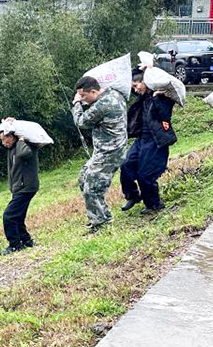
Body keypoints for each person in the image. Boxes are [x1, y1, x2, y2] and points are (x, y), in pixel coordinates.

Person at [72, 76, 128, 233]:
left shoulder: (103, 104)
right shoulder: (114, 93)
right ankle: (99, 217)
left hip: (110, 152)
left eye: (83, 96)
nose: (82, 99)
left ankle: (101, 223)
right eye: (80, 96)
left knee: (92, 187)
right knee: (84, 178)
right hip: (105, 151)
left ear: (94, 91)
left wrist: (76, 104)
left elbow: (81, 122)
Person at [120, 70, 177, 214]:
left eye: (136, 85)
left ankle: (154, 204)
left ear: (144, 82)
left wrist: (157, 97)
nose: (135, 89)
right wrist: (146, 69)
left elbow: (165, 116)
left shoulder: (163, 97)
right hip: (141, 139)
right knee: (126, 164)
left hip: (155, 140)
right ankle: (133, 196)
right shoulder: (142, 97)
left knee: (145, 174)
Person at [0, 118, 40, 254]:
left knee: (9, 216)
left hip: (26, 187)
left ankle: (15, 245)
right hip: (19, 187)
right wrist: (4, 125)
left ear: (12, 137)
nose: (2, 142)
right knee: (18, 216)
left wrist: (21, 139)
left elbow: (25, 153)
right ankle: (26, 241)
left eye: (4, 139)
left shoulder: (27, 145)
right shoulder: (11, 147)